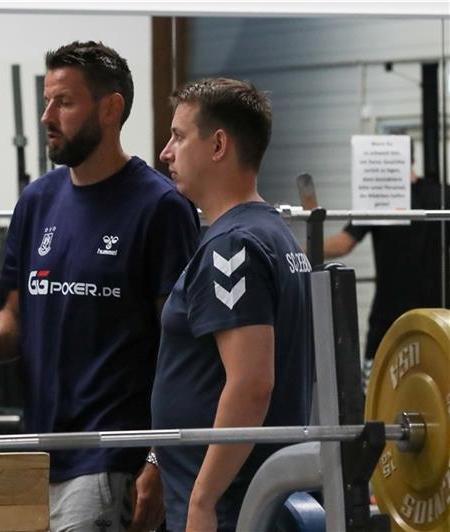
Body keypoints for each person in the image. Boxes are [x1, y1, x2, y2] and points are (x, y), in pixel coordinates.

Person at [0, 41, 200, 531]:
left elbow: (184, 348)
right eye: (46, 101)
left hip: (108, 465)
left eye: (64, 102)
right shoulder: (37, 202)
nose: (46, 116)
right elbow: (16, 317)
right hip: (35, 456)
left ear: (110, 108)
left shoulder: (161, 207)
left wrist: (157, 460)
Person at [152, 78, 314, 531]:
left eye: (179, 136)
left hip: (231, 508)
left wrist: (203, 499)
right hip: (246, 498)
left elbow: (251, 384)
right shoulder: (272, 234)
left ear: (218, 144)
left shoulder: (233, 246)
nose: (167, 151)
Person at [324, 160, 449, 382]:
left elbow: (343, 244)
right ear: (411, 160)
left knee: (375, 393)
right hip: (437, 314)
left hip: (389, 317)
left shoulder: (378, 198)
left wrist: (293, 249)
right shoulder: (442, 195)